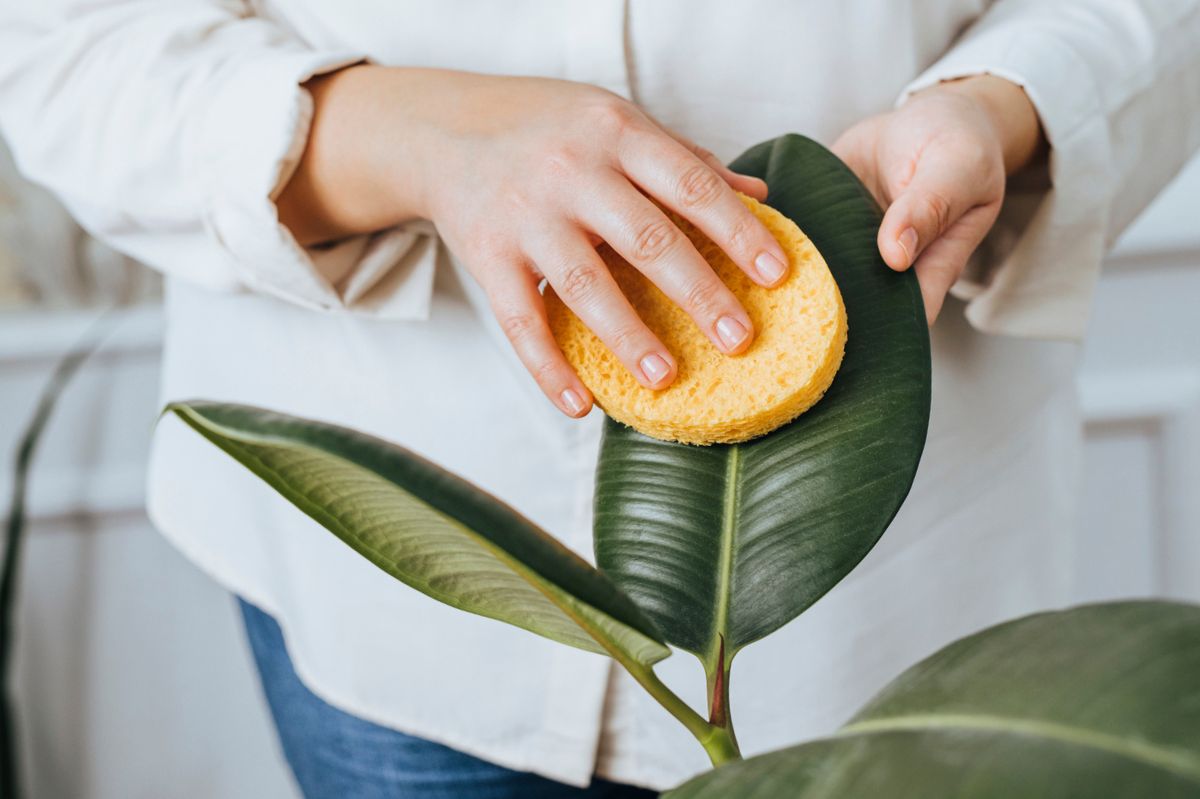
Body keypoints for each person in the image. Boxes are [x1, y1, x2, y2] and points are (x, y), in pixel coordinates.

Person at [2, 1, 1198, 797]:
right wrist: (413, 135)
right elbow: (60, 42)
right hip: (399, 587)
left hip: (895, 608)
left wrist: (1006, 101)